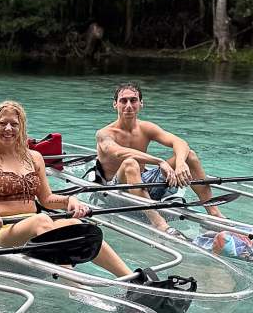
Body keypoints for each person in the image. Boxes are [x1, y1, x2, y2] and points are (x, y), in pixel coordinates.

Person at [0, 101, 133, 278]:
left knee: (75, 224)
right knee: (41, 220)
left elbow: (46, 199)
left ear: (22, 128)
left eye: (14, 124)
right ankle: (75, 285)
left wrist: (69, 201)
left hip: (36, 224)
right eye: (3, 123)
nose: (8, 129)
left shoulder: (34, 158)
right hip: (0, 232)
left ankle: (131, 280)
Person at [95, 83, 225, 235]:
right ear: (115, 104)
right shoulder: (104, 133)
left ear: (141, 103)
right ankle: (159, 224)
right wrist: (160, 161)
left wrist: (181, 162)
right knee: (130, 163)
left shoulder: (146, 128)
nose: (128, 105)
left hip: (144, 182)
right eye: (123, 101)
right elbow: (119, 153)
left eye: (133, 100)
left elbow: (180, 142)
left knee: (189, 155)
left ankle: (214, 213)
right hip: (114, 193)